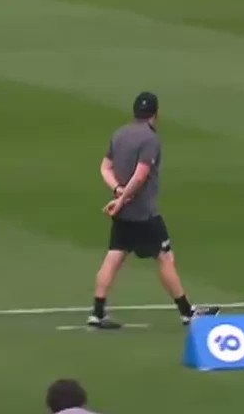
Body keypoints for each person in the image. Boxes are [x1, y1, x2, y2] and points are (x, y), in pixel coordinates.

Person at [89, 91, 214, 329]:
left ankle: (97, 312)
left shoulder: (119, 134)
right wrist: (124, 198)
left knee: (114, 256)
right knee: (165, 257)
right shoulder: (150, 139)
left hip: (123, 215)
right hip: (143, 214)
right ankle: (187, 312)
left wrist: (116, 192)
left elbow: (105, 167)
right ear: (155, 114)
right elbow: (140, 176)